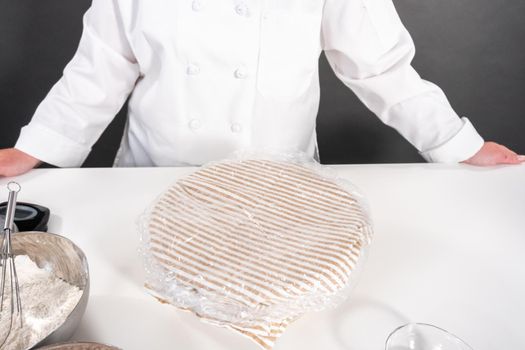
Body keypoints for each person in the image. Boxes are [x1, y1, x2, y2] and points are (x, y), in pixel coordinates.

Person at [0, 0, 523, 178]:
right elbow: (102, 67)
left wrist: (458, 144)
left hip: (280, 182)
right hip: (153, 175)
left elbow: (379, 67)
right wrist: (36, 146)